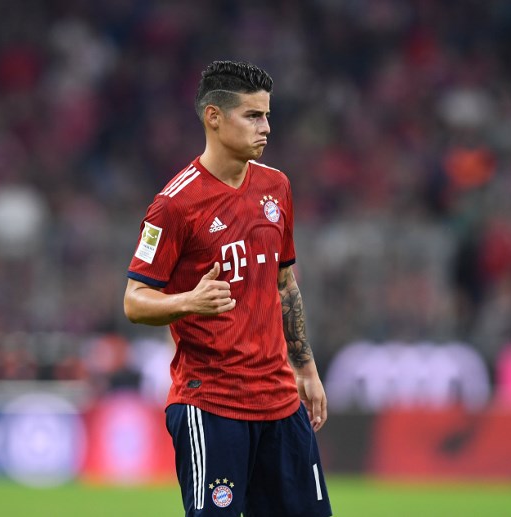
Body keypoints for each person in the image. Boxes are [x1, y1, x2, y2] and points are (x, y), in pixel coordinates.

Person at [123, 60, 332, 517]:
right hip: (212, 405)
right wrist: (189, 301)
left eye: (267, 115)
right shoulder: (174, 205)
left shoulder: (277, 186)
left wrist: (306, 368)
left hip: (280, 402)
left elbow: (284, 283)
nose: (266, 128)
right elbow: (134, 301)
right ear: (213, 117)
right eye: (253, 116)